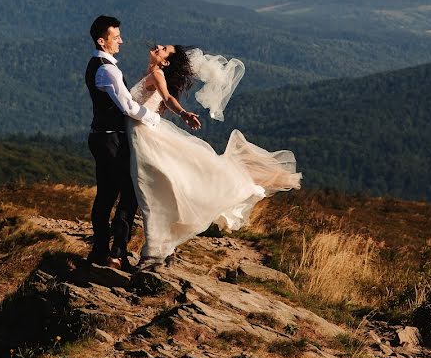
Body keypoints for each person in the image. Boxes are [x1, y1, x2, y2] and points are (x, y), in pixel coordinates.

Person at [128, 43, 302, 271]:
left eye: (164, 49)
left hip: (145, 138)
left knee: (151, 193)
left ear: (166, 61)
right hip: (142, 134)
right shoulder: (152, 73)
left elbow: (167, 97)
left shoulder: (157, 74)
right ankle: (164, 249)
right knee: (158, 192)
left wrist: (182, 113)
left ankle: (154, 255)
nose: (158, 46)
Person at [85, 16, 196, 270]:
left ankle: (102, 251)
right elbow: (127, 106)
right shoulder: (108, 69)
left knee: (106, 195)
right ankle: (116, 252)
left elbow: (165, 97)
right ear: (102, 41)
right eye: (116, 37)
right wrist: (153, 120)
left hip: (109, 135)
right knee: (129, 193)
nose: (121, 41)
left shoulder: (98, 65)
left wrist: (175, 114)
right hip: (113, 137)